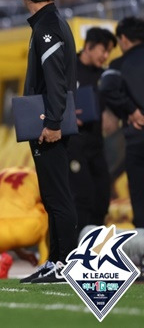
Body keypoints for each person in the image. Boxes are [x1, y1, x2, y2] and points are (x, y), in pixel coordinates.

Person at [16, 0, 78, 284]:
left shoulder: (47, 26)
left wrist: (52, 122)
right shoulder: (50, 22)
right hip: (49, 121)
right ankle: (56, 260)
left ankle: (66, 263)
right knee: (52, 195)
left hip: (49, 125)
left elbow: (54, 79)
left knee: (58, 196)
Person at [68, 27, 116, 233]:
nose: (106, 56)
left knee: (102, 196)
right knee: (83, 196)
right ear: (88, 47)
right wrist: (67, 117)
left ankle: (96, 250)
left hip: (97, 145)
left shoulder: (105, 76)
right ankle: (78, 250)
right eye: (103, 51)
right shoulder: (67, 69)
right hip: (74, 144)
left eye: (109, 52)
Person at [100, 16, 144, 228]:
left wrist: (131, 111)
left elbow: (107, 87)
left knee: (139, 194)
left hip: (136, 137)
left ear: (124, 39)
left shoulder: (118, 64)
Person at [0, 167, 48, 279]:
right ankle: (44, 265)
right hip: (28, 228)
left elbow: (4, 218)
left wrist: (22, 254)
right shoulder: (34, 176)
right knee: (49, 213)